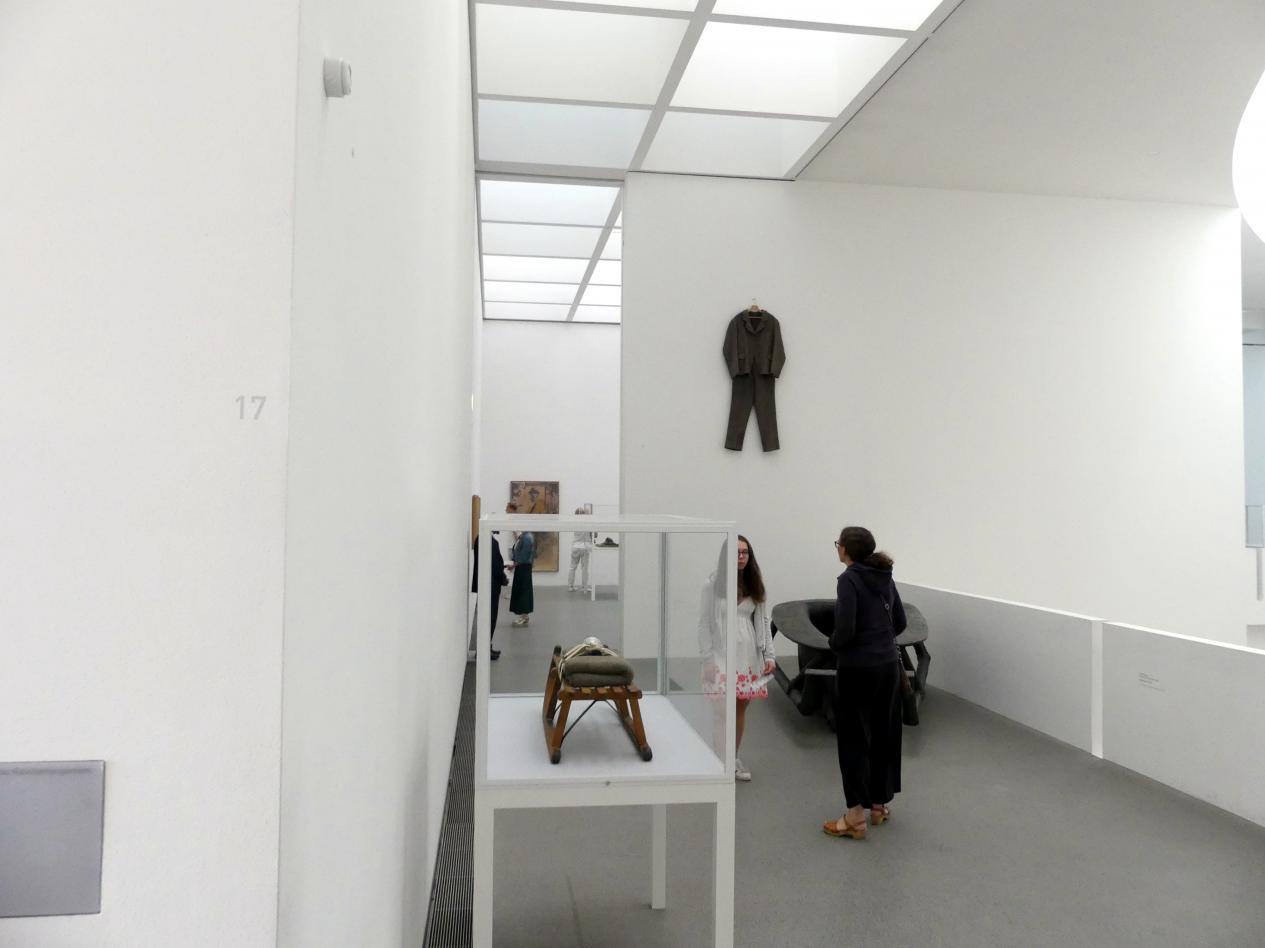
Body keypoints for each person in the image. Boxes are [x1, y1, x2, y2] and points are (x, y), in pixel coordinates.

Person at [823, 525, 905, 840]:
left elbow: (845, 630)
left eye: (838, 544)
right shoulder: (885, 577)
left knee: (854, 737)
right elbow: (900, 621)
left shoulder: (849, 580)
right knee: (883, 732)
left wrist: (833, 644)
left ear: (845, 549)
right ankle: (879, 804)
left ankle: (855, 817)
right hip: (887, 666)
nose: (837, 548)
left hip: (858, 669)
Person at [698, 535, 776, 782]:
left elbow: (763, 621)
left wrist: (769, 655)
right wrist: (707, 660)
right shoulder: (712, 585)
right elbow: (703, 624)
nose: (741, 557)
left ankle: (731, 759)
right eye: (736, 552)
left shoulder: (755, 584)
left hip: (747, 655)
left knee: (740, 708)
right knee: (722, 710)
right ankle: (719, 758)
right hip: (720, 655)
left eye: (745, 552)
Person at [471, 531, 508, 660]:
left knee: (485, 618)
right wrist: (503, 578)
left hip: (483, 584)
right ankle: (484, 650)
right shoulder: (492, 542)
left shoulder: (480, 538)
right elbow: (496, 566)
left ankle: (485, 648)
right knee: (490, 618)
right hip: (491, 586)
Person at [505, 501, 535, 627]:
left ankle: (524, 616)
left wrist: (514, 565)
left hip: (523, 568)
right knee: (522, 591)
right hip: (521, 567)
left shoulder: (527, 538)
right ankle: (524, 616)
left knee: (523, 592)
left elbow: (524, 557)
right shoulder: (524, 536)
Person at [568, 507, 594, 592]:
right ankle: (584, 587)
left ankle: (570, 586)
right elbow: (594, 534)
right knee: (584, 569)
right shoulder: (587, 523)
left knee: (572, 567)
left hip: (575, 546)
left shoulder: (574, 523)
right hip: (585, 547)